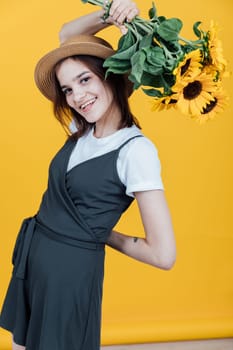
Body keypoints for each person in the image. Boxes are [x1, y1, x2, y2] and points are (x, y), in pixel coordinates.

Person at [0, 1, 176, 349]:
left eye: (85, 79)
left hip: (70, 276)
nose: (77, 96)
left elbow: (163, 255)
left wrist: (101, 233)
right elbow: (67, 36)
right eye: (68, 89)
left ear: (110, 73)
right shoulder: (82, 125)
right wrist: (110, 12)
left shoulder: (135, 151)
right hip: (36, 261)